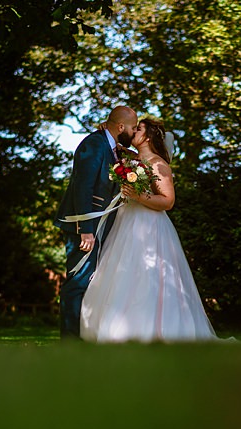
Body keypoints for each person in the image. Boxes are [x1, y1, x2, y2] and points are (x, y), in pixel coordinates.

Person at [80, 118, 219, 343]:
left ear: (147, 136)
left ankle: (153, 328)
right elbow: (117, 142)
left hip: (149, 226)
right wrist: (109, 128)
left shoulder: (158, 163)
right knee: (123, 274)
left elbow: (168, 201)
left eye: (139, 128)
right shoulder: (133, 159)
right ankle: (118, 329)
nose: (134, 130)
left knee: (148, 274)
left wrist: (139, 196)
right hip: (126, 222)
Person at [56, 105, 138, 339]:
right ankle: (70, 342)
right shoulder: (94, 144)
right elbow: (83, 187)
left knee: (90, 281)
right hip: (84, 227)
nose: (133, 133)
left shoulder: (112, 148)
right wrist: (85, 230)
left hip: (100, 227)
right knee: (78, 282)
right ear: (120, 127)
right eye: (132, 128)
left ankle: (84, 335)